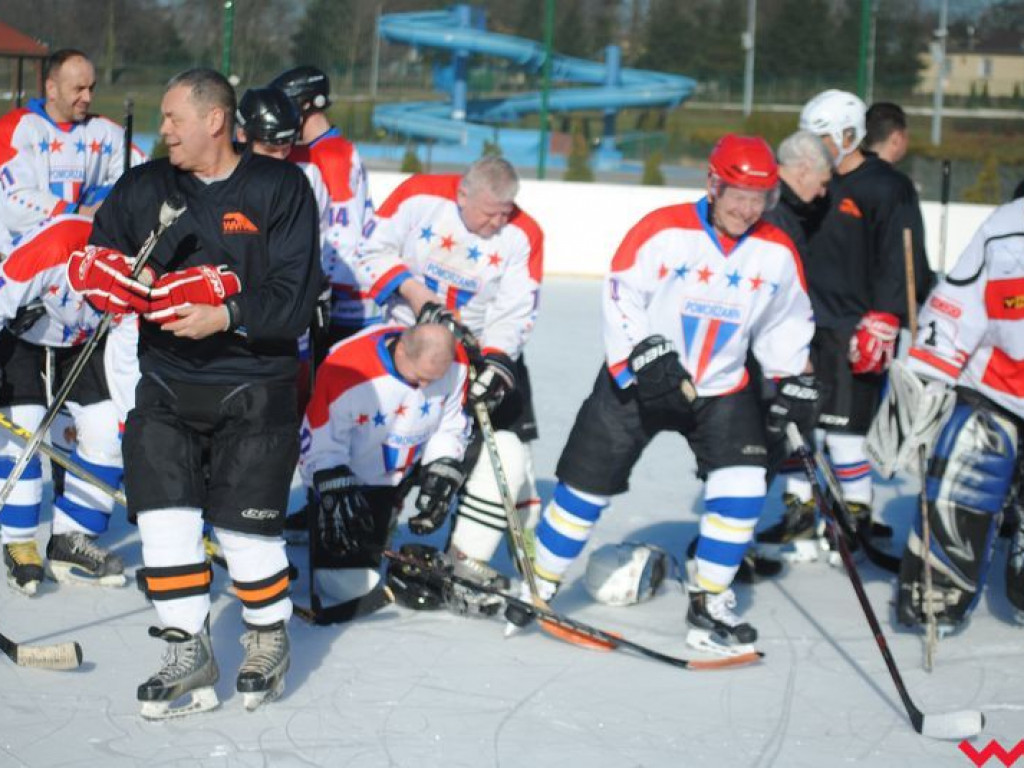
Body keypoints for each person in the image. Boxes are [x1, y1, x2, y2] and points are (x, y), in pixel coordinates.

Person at [78, 68, 321, 719]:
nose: (163, 131)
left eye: (171, 119)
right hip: (164, 380)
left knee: (246, 538)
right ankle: (188, 648)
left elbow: (296, 298)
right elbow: (104, 247)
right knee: (164, 525)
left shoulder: (280, 187)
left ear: (215, 120)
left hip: (254, 385)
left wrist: (227, 315)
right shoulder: (148, 184)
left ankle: (267, 637)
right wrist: (101, 274)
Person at [520, 135, 817, 656]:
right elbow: (620, 292)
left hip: (722, 387)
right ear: (712, 183)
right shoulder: (664, 231)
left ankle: (710, 600)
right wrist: (642, 353)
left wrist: (791, 375)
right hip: (641, 382)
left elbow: (786, 320)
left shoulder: (776, 251)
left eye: (760, 197)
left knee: (745, 485)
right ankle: (538, 584)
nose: (748, 209)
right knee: (585, 486)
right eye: (738, 195)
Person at [354, 156, 544, 604]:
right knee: (393, 437)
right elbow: (371, 251)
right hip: (409, 344)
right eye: (489, 212)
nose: (498, 223)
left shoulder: (523, 233)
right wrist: (419, 297)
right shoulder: (420, 196)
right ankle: (368, 528)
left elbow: (515, 309)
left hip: (481, 353)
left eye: (506, 212)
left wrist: (497, 364)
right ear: (462, 194)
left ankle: (468, 555)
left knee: (508, 454)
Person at [769, 90, 934, 561]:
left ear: (850, 134)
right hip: (802, 323)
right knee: (796, 424)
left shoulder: (885, 187)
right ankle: (799, 511)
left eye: (821, 136)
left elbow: (903, 259)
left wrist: (886, 316)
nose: (813, 145)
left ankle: (853, 517)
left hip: (854, 328)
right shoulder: (809, 180)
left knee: (845, 430)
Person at [876, 198, 1024, 632]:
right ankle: (938, 589)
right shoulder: (1007, 225)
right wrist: (927, 374)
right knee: (968, 467)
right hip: (996, 386)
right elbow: (957, 304)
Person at [297, 323, 471, 622]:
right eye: (419, 377)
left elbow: (451, 421)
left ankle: (389, 517)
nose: (425, 389)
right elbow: (318, 441)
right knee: (349, 586)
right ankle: (310, 521)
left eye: (434, 380)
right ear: (401, 349)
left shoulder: (456, 362)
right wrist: (332, 485)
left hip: (401, 468)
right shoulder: (346, 368)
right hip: (354, 476)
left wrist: (443, 467)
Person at [0, 215, 127, 596]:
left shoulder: (141, 259)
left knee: (107, 427)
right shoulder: (55, 245)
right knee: (24, 428)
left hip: (84, 343)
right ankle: (19, 540)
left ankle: (72, 538)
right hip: (21, 336)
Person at [269, 66, 377, 344]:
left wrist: (320, 286)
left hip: (342, 298)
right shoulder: (311, 151)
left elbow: (343, 231)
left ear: (306, 104)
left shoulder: (332, 154)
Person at [0, 49, 143, 254]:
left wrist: (104, 200)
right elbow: (15, 203)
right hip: (22, 262)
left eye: (91, 88)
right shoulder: (14, 128)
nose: (87, 97)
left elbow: (141, 180)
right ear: (52, 89)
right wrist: (78, 212)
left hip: (83, 258)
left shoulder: (108, 132)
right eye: (79, 89)